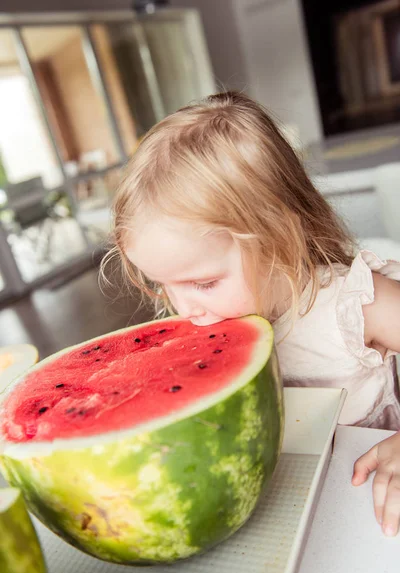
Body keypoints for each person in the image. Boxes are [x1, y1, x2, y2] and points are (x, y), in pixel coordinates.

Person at [106, 91, 400, 536]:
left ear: (280, 235)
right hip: (279, 507)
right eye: (162, 285)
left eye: (203, 283)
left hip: (366, 501)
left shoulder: (354, 304)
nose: (184, 308)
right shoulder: (210, 319)